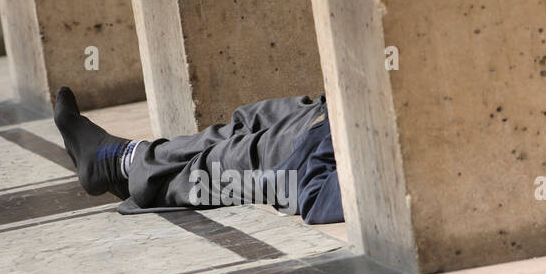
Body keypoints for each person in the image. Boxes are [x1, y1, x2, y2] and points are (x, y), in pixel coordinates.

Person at [52, 87, 344, 224]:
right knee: (250, 119)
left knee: (220, 164)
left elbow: (314, 194)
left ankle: (120, 165)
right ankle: (122, 161)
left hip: (304, 160)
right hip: (327, 124)